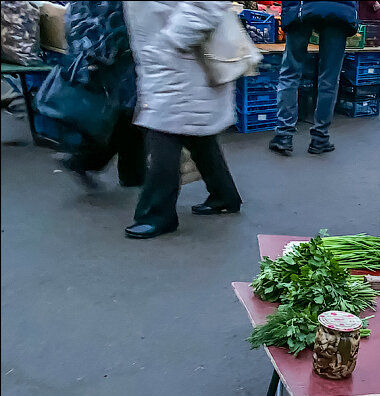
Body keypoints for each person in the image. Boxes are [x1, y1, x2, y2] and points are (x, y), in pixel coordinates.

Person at [123, 1, 243, 239]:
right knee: (195, 134)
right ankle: (224, 195)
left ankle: (157, 214)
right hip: (168, 58)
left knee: (162, 133)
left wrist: (174, 38)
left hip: (181, 59)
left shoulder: (172, 42)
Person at [57, 1, 145, 190]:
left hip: (111, 52)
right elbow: (101, 18)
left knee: (128, 113)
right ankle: (87, 161)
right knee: (126, 113)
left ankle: (128, 171)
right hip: (111, 54)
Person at [269, 2, 359, 155]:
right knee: (329, 79)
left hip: (303, 7)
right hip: (340, 9)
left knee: (290, 73)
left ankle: (284, 135)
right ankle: (320, 137)